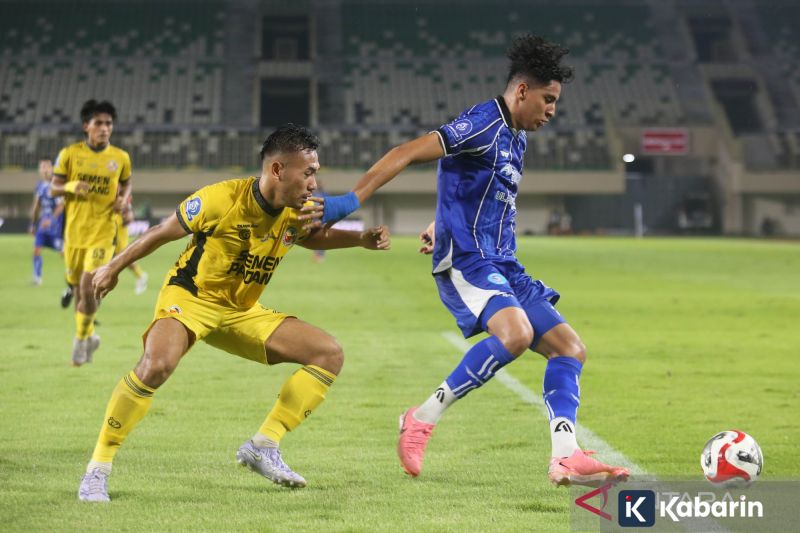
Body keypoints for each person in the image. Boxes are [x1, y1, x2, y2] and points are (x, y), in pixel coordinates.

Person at [314, 35, 629, 487]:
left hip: (504, 261)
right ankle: (421, 418)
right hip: (469, 259)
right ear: (522, 90)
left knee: (570, 349)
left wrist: (439, 220)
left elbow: (476, 191)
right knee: (516, 335)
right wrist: (349, 201)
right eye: (548, 99)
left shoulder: (518, 138)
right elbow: (406, 152)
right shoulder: (483, 122)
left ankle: (565, 456)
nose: (552, 111)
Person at [78, 124, 390, 502]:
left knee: (328, 353)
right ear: (277, 169)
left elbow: (308, 236)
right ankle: (98, 468)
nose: (313, 183)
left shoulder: (300, 211)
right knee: (156, 365)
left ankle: (263, 446)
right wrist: (113, 267)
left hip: (241, 310)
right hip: (191, 298)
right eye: (308, 172)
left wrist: (359, 240)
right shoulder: (220, 198)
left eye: (316, 173)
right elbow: (161, 231)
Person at [50, 99, 132, 366]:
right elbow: (53, 188)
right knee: (78, 290)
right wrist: (71, 186)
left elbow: (126, 184)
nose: (105, 128)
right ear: (86, 126)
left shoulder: (120, 158)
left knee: (87, 286)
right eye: (99, 123)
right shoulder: (69, 154)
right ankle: (89, 337)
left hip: (103, 232)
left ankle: (79, 342)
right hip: (74, 234)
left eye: (109, 123)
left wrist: (123, 201)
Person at [29, 159, 64, 285]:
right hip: (43, 226)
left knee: (64, 253)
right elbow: (36, 206)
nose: (45, 169)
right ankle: (37, 277)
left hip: (56, 227)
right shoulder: (39, 186)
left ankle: (77, 274)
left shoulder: (57, 184)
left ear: (52, 168)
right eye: (42, 167)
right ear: (39, 169)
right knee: (36, 250)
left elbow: (61, 205)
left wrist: (51, 219)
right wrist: (33, 224)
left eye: (47, 166)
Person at [112, 195, 149, 294]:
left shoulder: (121, 192)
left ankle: (140, 276)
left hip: (118, 224)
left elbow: (128, 210)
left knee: (123, 255)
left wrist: (128, 216)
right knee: (113, 255)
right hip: (109, 223)